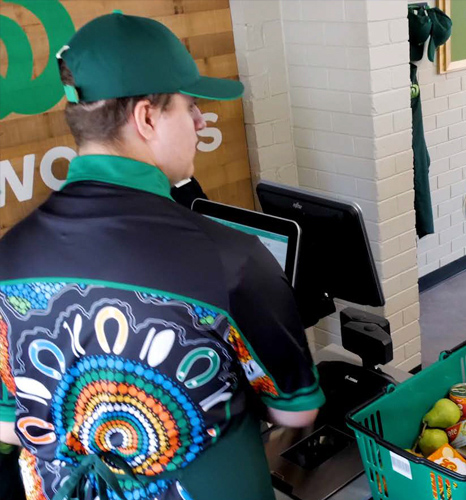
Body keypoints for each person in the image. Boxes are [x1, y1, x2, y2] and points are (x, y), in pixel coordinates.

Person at [0, 12, 324, 500]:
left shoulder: (8, 256)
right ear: (147, 118)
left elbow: (8, 426)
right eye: (189, 106)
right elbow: (296, 412)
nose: (200, 122)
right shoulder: (231, 259)